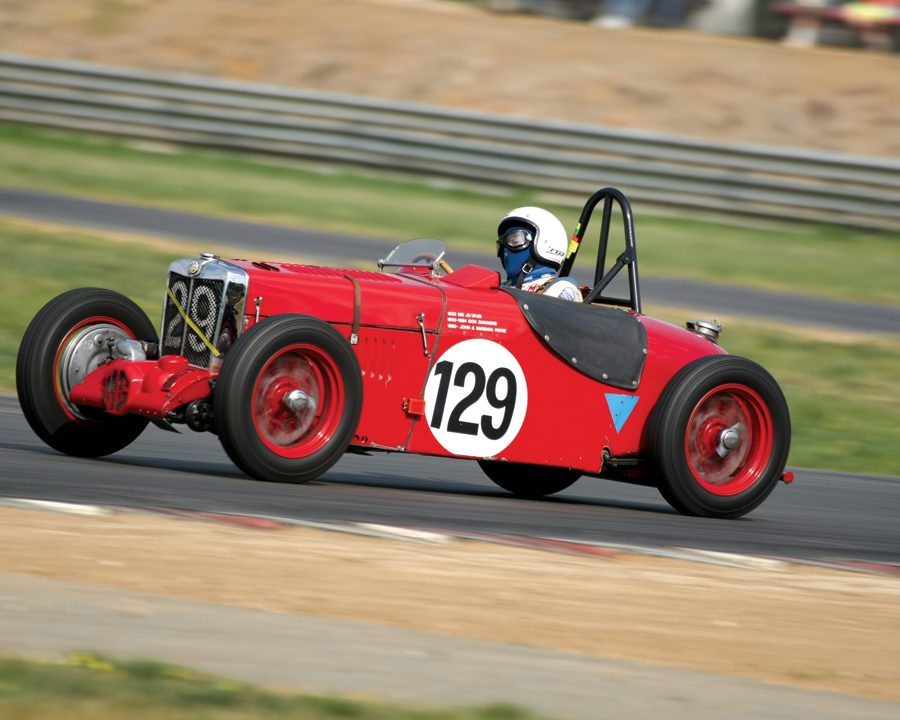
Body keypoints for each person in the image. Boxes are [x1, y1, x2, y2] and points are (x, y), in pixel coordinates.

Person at [496, 206, 582, 301]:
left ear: (544, 243)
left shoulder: (562, 288)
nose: (505, 251)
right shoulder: (503, 286)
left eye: (515, 241)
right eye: (502, 244)